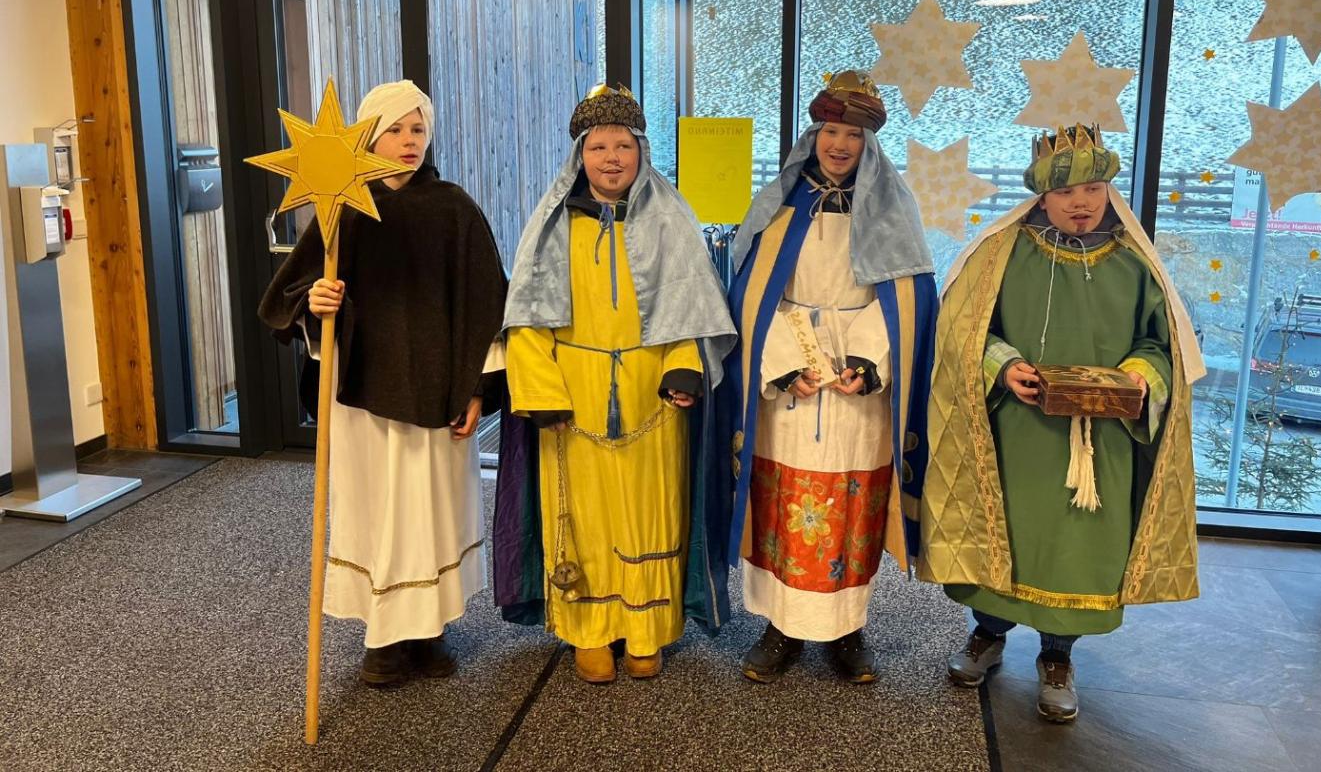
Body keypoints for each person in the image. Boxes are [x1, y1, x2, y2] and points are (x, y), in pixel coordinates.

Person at [918, 123, 1203, 723]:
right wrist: (1003, 366)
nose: (1081, 202)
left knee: (1076, 549)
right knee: (1007, 537)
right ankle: (987, 634)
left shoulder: (1134, 263)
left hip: (1103, 440)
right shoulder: (1001, 253)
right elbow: (963, 330)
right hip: (1018, 434)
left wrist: (1136, 377)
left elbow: (1162, 345)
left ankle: (1057, 656)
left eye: (1094, 189)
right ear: (1042, 195)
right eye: (1067, 191)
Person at [259, 80, 507, 686]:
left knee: (429, 507)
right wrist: (316, 302)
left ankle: (427, 629)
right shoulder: (343, 208)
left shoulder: (453, 208)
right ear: (368, 137)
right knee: (376, 506)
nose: (408, 141)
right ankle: (384, 638)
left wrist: (478, 388)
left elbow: (486, 305)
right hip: (365, 387)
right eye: (394, 129)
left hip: (437, 389)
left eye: (417, 129)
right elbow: (290, 294)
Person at [495, 83, 736, 683]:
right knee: (582, 516)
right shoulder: (551, 228)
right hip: (571, 395)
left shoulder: (672, 222)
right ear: (580, 155)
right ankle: (590, 630)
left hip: (651, 393)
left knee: (650, 511)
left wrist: (685, 365)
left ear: (641, 152)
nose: (611, 159)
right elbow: (526, 319)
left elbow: (691, 310)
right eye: (598, 146)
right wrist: (540, 390)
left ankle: (646, 629)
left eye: (623, 146)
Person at [723, 70, 938, 684]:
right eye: (830, 132)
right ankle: (780, 626)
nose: (840, 145)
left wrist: (868, 361)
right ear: (813, 136)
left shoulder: (892, 210)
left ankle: (847, 628)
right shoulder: (780, 206)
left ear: (870, 144)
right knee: (781, 499)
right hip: (790, 378)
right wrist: (784, 363)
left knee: (851, 503)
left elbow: (909, 299)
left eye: (854, 135)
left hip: (856, 387)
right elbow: (750, 295)